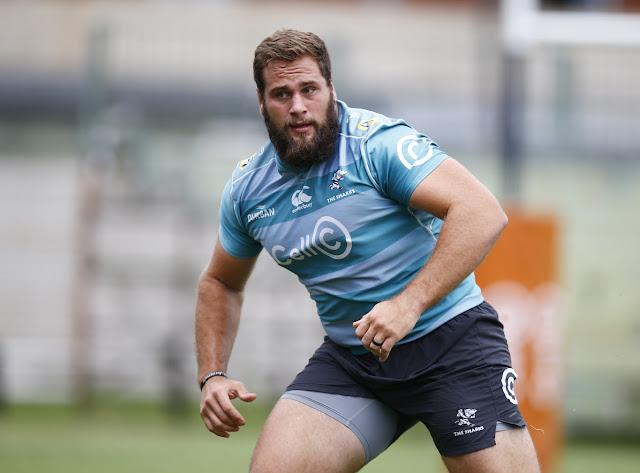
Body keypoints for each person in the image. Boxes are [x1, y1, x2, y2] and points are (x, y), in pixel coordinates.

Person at [195, 29, 541, 473]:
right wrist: (213, 374)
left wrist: (407, 305)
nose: (298, 106)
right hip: (355, 362)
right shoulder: (248, 191)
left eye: (309, 90)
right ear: (262, 103)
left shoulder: (377, 146)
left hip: (452, 346)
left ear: (331, 90)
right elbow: (220, 280)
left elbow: (482, 212)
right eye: (281, 94)